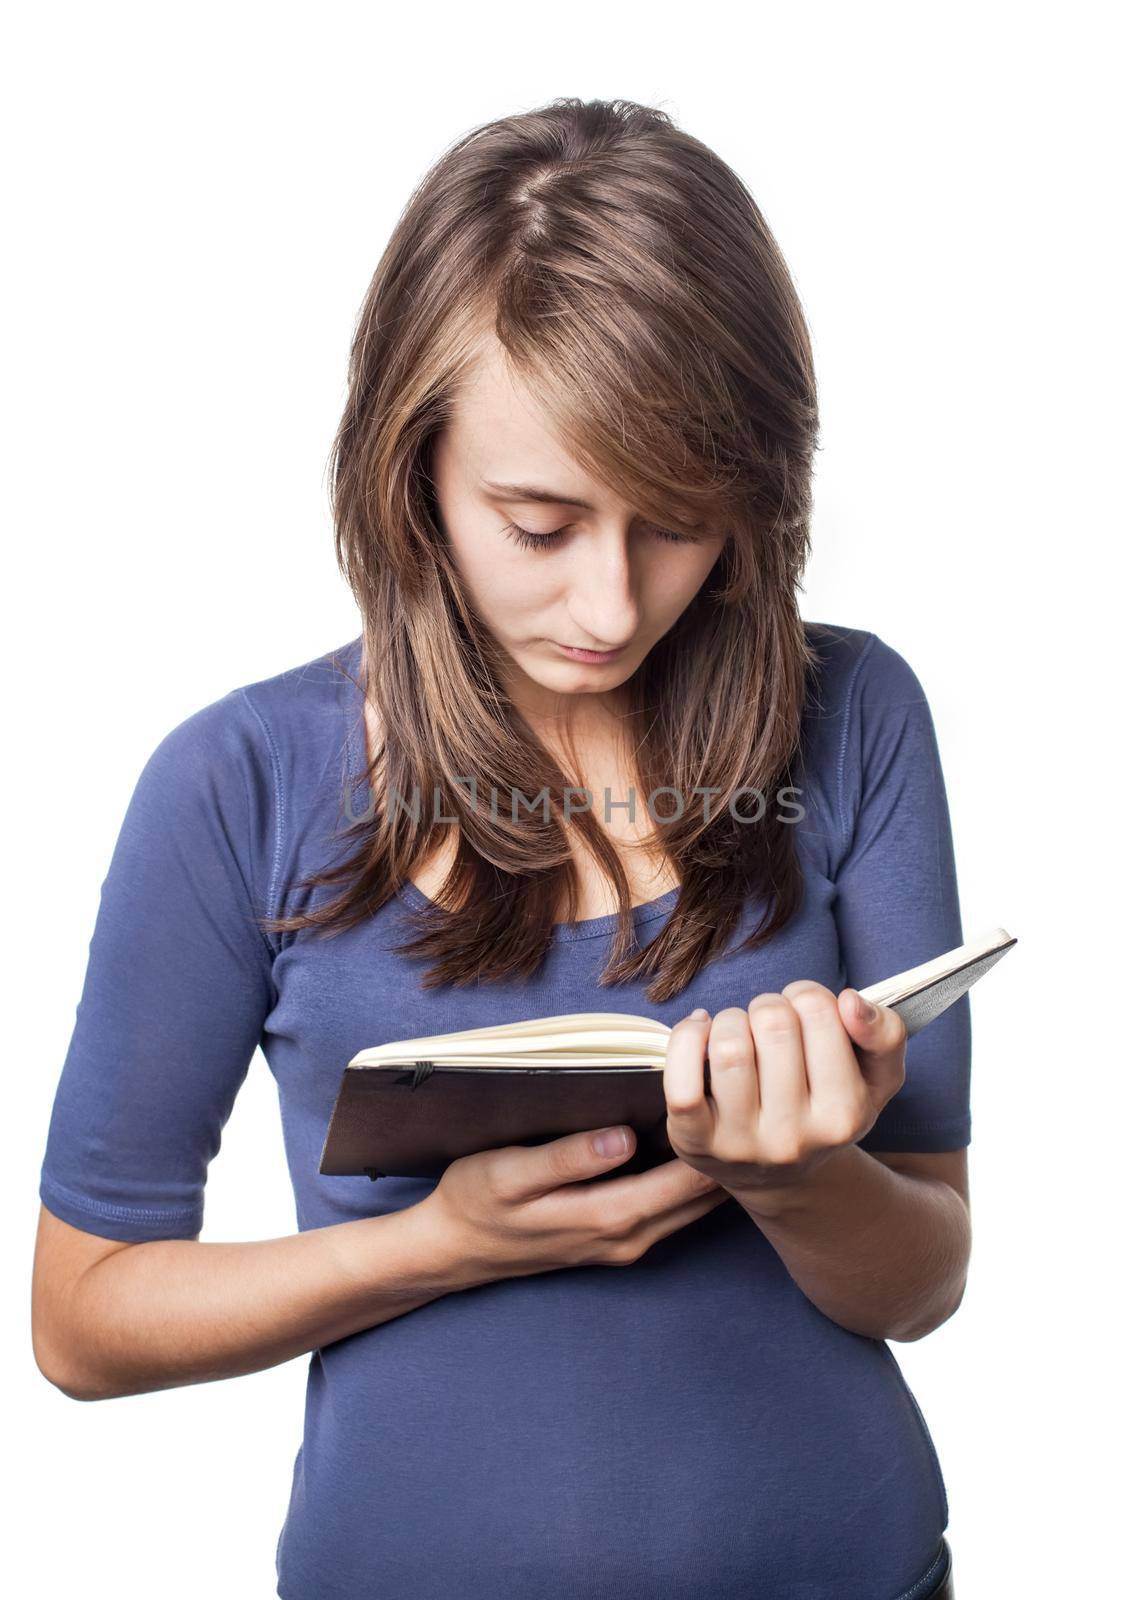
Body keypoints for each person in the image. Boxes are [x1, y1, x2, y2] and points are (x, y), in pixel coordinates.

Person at [32, 98, 967, 1599]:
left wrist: (792, 1176)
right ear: (413, 476)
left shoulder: (853, 715)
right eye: (538, 523)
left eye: (675, 524)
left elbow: (926, 1279)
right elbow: (80, 1322)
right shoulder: (237, 786)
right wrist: (442, 1245)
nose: (609, 602)